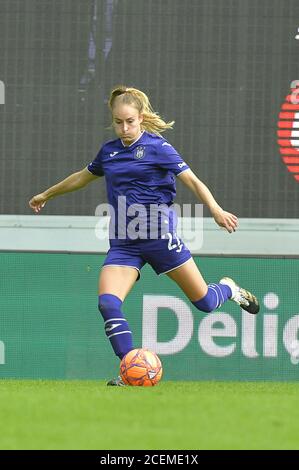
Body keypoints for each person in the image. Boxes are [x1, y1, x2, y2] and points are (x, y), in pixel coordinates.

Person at [29, 85, 259, 386]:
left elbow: (192, 180)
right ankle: (129, 370)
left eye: (130, 121)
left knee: (204, 302)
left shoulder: (158, 147)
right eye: (118, 122)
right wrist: (46, 194)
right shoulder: (109, 152)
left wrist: (215, 210)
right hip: (125, 243)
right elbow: (81, 177)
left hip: (161, 238)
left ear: (141, 118)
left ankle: (227, 288)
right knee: (108, 304)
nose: (124, 128)